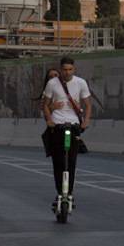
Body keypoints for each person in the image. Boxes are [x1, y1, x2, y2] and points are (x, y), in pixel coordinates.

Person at [42, 56, 92, 206]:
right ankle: (60, 192)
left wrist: (86, 121)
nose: (67, 72)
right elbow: (45, 105)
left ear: (74, 69)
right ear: (61, 69)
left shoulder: (81, 83)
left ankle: (69, 193)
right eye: (64, 69)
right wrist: (49, 119)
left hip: (74, 125)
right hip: (57, 124)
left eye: (70, 69)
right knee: (58, 161)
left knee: (71, 161)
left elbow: (88, 105)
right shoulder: (52, 83)